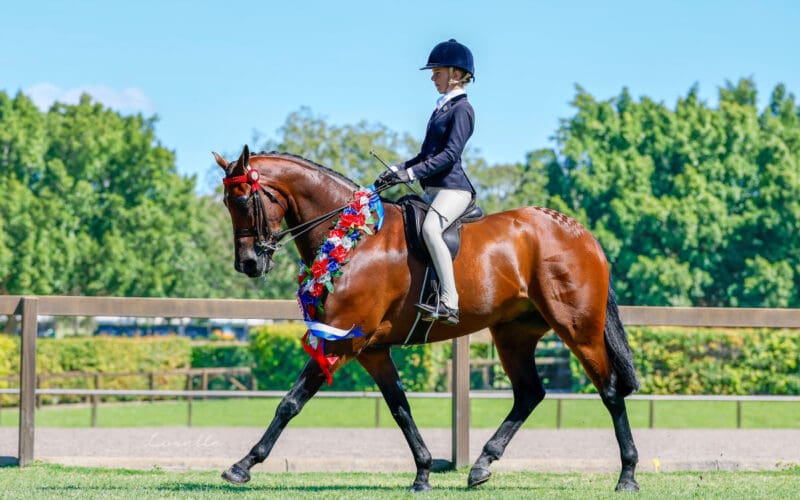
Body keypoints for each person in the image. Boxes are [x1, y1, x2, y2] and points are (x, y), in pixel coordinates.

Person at [375, 38, 476, 325]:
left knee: (431, 229)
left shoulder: (462, 109)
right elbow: (425, 155)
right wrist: (398, 169)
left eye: (438, 72)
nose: (432, 77)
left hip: (454, 189)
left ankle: (449, 302)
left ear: (456, 74)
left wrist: (411, 174)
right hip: (432, 189)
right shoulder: (440, 109)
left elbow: (449, 155)